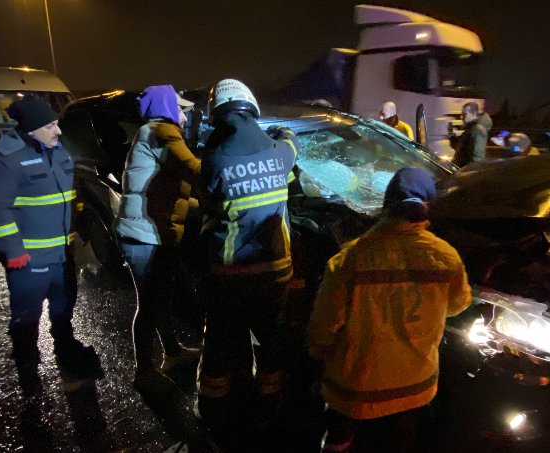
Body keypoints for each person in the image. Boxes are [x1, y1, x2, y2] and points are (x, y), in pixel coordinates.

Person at [308, 167, 472, 453]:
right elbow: (458, 305)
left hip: (355, 389)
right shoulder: (446, 256)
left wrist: (321, 357)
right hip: (415, 387)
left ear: (387, 205)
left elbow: (324, 327)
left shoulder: (350, 258)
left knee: (339, 443)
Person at [0, 97, 100, 397]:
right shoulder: (3, 157)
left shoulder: (57, 152)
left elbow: (68, 197)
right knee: (26, 323)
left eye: (57, 123)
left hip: (61, 256)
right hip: (28, 262)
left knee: (62, 314)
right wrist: (14, 250)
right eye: (50, 125)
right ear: (30, 130)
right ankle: (29, 382)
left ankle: (68, 364)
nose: (58, 131)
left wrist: (79, 230)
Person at [195, 79, 298, 430]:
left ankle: (213, 409)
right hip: (275, 269)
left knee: (221, 341)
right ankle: (269, 401)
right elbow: (291, 146)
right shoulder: (279, 153)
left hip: (230, 272)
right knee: (270, 338)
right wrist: (283, 132)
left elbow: (207, 200)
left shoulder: (214, 159)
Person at [114, 85, 201, 389]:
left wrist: (201, 207)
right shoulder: (162, 131)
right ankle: (143, 371)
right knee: (149, 302)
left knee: (158, 296)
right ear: (166, 106)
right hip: (143, 234)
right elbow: (194, 170)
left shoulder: (149, 132)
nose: (185, 116)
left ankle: (173, 353)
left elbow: (166, 188)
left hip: (143, 229)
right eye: (180, 109)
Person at [451, 102, 491, 167]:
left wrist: (468, 174)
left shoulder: (477, 130)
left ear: (474, 114)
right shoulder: (470, 129)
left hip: (465, 173)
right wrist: (452, 136)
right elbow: (460, 147)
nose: (461, 117)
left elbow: (477, 158)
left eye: (465, 114)